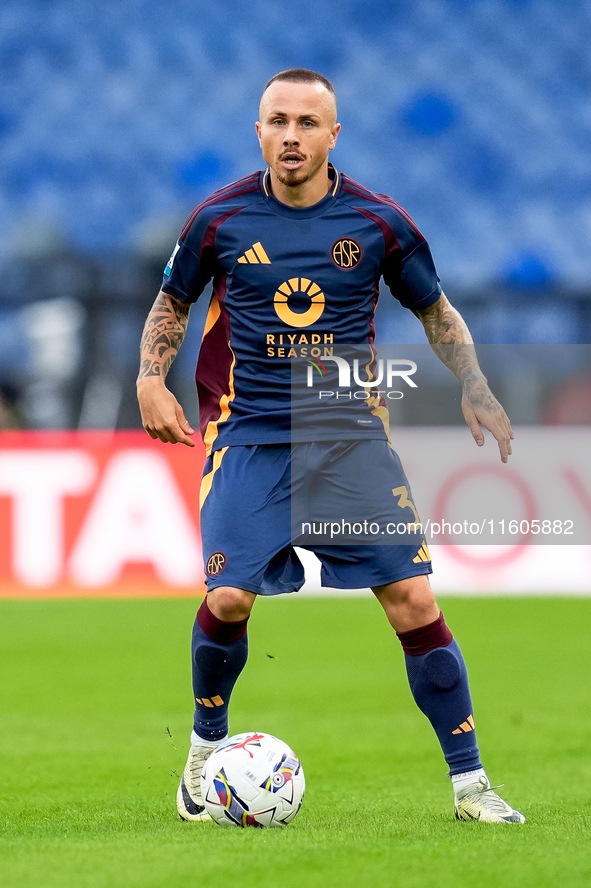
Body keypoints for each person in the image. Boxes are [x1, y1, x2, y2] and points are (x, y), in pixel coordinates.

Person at [137, 68, 525, 824]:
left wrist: (474, 384)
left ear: (332, 135)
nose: (290, 135)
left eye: (307, 123)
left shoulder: (379, 223)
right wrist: (151, 376)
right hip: (248, 434)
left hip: (347, 434)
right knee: (227, 595)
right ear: (259, 132)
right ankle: (203, 748)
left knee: (413, 601)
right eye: (277, 121)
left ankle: (471, 787)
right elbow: (171, 301)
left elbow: (435, 311)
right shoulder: (219, 219)